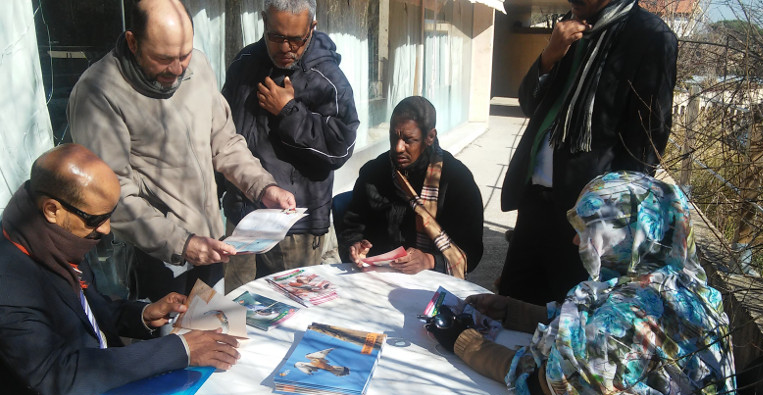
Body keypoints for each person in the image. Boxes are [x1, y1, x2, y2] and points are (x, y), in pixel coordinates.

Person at [430, 171, 736, 395]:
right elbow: (600, 330)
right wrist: (515, 311)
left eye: (589, 227)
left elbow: (555, 386)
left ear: (627, 232)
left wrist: (467, 343)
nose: (576, 239)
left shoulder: (637, 312)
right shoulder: (682, 285)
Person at [0, 144, 241, 395]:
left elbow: (92, 307)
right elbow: (57, 376)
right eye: (94, 219)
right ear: (52, 209)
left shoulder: (55, 237)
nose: (105, 228)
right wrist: (179, 349)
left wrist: (144, 314)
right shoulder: (10, 279)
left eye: (110, 215)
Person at [67, 0, 296, 300]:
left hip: (210, 247)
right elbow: (112, 195)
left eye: (183, 55)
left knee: (214, 339)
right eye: (163, 58)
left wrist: (262, 186)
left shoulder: (198, 66)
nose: (176, 70)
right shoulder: (98, 93)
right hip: (154, 258)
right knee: (172, 345)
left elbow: (225, 142)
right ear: (132, 42)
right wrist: (182, 243)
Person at [498, 0, 678, 304]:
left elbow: (646, 143)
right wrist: (548, 57)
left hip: (586, 220)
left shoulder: (650, 37)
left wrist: (610, 220)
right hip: (534, 201)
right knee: (510, 306)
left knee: (565, 319)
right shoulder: (569, 28)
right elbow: (529, 105)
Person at [221, 0, 359, 291]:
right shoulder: (244, 63)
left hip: (295, 227)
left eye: (296, 39)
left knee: (293, 316)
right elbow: (221, 134)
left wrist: (289, 112)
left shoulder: (328, 78)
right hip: (242, 219)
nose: (286, 48)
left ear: (312, 28)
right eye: (276, 37)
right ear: (263, 21)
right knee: (236, 313)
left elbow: (340, 147)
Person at [340, 96, 483, 278]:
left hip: (435, 279)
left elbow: (472, 251)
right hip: (378, 278)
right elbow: (352, 226)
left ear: (430, 137)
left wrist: (430, 260)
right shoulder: (373, 173)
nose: (398, 147)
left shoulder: (456, 180)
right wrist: (355, 247)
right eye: (394, 136)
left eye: (409, 140)